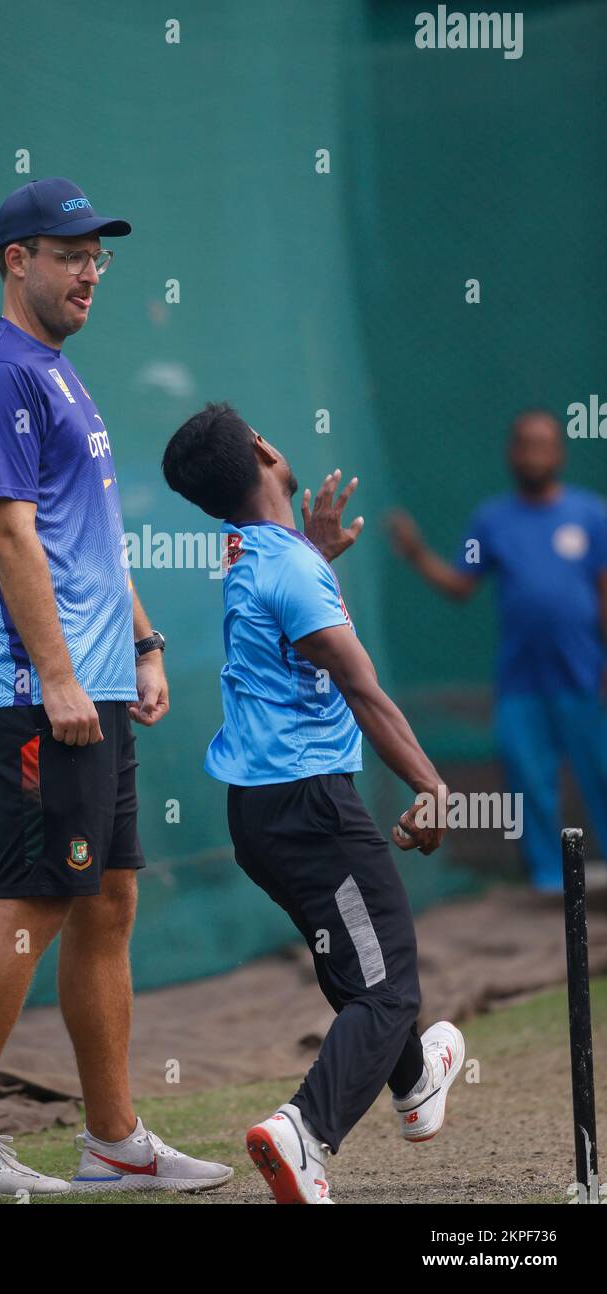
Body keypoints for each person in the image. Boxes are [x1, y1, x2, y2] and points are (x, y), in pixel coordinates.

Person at [0, 179, 232, 1198]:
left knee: (109, 902)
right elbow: (9, 535)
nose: (90, 271)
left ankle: (114, 1141)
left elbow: (86, 535)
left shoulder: (58, 375)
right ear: (16, 261)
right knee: (36, 900)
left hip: (92, 686)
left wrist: (139, 642)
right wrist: (55, 673)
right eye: (69, 252)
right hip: (42, 694)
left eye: (100, 256)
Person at [161, 402, 463, 1205]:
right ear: (264, 448)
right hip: (312, 810)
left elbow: (292, 607)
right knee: (389, 986)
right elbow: (362, 689)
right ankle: (304, 1135)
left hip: (263, 815)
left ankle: (415, 1082)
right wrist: (432, 788)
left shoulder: (262, 554)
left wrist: (316, 548)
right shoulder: (289, 569)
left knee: (359, 964)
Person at [388, 409, 607, 892]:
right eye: (524, 444)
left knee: (601, 772)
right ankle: (552, 884)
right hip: (520, 683)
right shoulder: (490, 522)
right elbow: (461, 583)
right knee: (529, 782)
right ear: (512, 453)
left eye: (543, 444)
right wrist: (418, 552)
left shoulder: (591, 516)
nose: (533, 454)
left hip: (586, 678)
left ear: (559, 453)